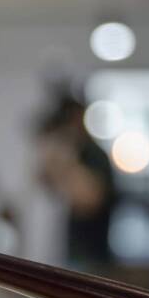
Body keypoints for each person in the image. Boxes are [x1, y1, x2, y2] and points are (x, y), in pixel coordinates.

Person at [35, 86, 116, 274]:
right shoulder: (73, 153)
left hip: (90, 256)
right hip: (70, 253)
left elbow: (90, 201)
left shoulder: (92, 155)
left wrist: (65, 166)